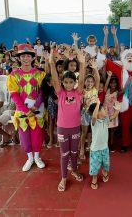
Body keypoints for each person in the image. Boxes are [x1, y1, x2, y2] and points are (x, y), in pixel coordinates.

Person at [48, 46, 86, 192]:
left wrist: (82, 64)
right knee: (64, 154)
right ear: (63, 83)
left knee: (74, 152)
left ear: (74, 83)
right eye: (66, 82)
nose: (69, 84)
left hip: (76, 127)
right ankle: (64, 178)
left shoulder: (78, 93)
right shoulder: (60, 93)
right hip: (63, 128)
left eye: (71, 82)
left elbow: (81, 80)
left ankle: (74, 170)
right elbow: (55, 78)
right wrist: (52, 62)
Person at [7, 44, 46, 171]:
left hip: (37, 110)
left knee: (37, 136)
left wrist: (35, 106)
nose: (25, 58)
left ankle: (37, 157)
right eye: (23, 56)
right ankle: (29, 158)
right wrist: (26, 110)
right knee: (24, 138)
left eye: (28, 56)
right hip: (22, 112)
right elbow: (14, 95)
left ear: (32, 58)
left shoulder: (41, 74)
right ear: (19, 58)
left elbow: (43, 92)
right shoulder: (13, 75)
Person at [87, 98, 120, 190]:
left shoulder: (105, 119)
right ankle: (94, 178)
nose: (105, 110)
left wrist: (117, 109)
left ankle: (104, 172)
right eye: (103, 109)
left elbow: (114, 116)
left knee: (106, 164)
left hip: (104, 148)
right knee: (94, 166)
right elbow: (94, 116)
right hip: (95, 149)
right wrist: (97, 104)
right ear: (97, 112)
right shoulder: (94, 122)